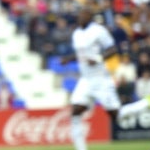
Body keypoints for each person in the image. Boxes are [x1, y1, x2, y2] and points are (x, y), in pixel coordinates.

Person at [61, 8, 150, 150]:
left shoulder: (98, 31)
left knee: (117, 116)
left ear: (90, 17)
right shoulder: (77, 33)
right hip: (85, 80)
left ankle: (145, 103)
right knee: (75, 111)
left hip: (100, 78)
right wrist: (69, 59)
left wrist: (98, 58)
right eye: (79, 14)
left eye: (84, 14)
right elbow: (81, 54)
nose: (81, 17)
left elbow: (113, 49)